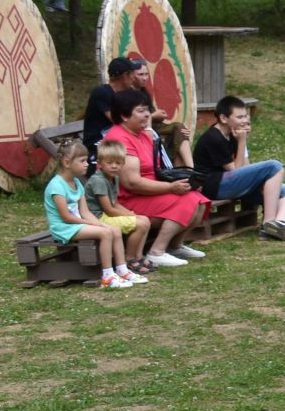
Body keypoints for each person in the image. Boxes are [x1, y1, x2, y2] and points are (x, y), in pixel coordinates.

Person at [98, 88, 205, 268]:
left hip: (147, 192)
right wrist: (171, 188)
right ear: (124, 115)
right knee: (189, 201)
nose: (147, 114)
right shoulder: (119, 138)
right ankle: (157, 251)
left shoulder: (142, 135)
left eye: (147, 109)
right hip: (126, 199)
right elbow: (131, 183)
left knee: (199, 201)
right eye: (141, 111)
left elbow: (155, 170)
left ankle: (175, 246)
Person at [193, 95, 285, 241]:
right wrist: (242, 141)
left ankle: (279, 223)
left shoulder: (232, 134)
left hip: (230, 183)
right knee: (274, 166)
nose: (245, 120)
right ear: (224, 118)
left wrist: (242, 143)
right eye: (239, 117)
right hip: (214, 186)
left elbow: (246, 167)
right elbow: (235, 171)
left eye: (245, 116)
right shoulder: (213, 138)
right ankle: (268, 224)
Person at [45, 140, 147, 288]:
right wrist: (93, 224)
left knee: (114, 230)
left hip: (76, 224)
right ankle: (107, 276)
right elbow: (65, 217)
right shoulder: (57, 185)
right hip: (63, 227)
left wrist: (98, 223)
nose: (87, 164)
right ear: (67, 162)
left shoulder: (77, 183)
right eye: (82, 161)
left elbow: (85, 211)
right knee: (105, 233)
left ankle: (122, 270)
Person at [81, 140, 154, 273]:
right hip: (97, 218)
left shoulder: (114, 177)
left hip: (106, 214)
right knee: (140, 224)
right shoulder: (99, 180)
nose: (114, 166)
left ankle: (138, 256)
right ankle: (129, 259)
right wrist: (131, 216)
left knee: (145, 220)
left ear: (123, 164)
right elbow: (108, 209)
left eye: (118, 163)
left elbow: (115, 203)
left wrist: (132, 214)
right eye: (109, 163)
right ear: (100, 163)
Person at [82, 57, 147, 165]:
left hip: (118, 138)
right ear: (125, 75)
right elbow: (118, 120)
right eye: (132, 73)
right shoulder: (102, 92)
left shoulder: (128, 93)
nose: (133, 77)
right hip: (99, 143)